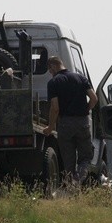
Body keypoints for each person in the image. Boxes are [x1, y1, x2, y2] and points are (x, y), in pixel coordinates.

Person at [42, 56, 98, 187]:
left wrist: (50, 127)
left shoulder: (53, 83)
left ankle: (72, 186)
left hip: (65, 124)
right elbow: (94, 98)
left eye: (50, 71)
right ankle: (77, 180)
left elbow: (55, 108)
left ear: (53, 66)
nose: (50, 74)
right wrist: (85, 110)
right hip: (83, 122)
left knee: (68, 161)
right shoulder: (80, 78)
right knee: (85, 158)